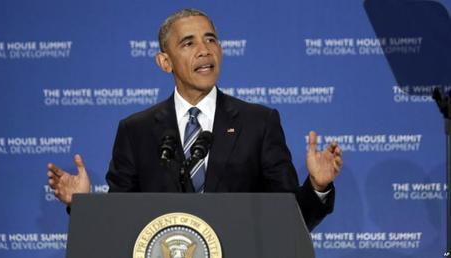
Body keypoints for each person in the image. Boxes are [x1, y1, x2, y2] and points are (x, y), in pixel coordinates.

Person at [47, 8, 342, 231]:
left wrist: (317, 186)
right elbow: (120, 222)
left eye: (210, 39)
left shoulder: (259, 122)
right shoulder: (136, 131)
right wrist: (82, 206)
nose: (204, 50)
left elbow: (289, 219)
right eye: (188, 43)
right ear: (165, 62)